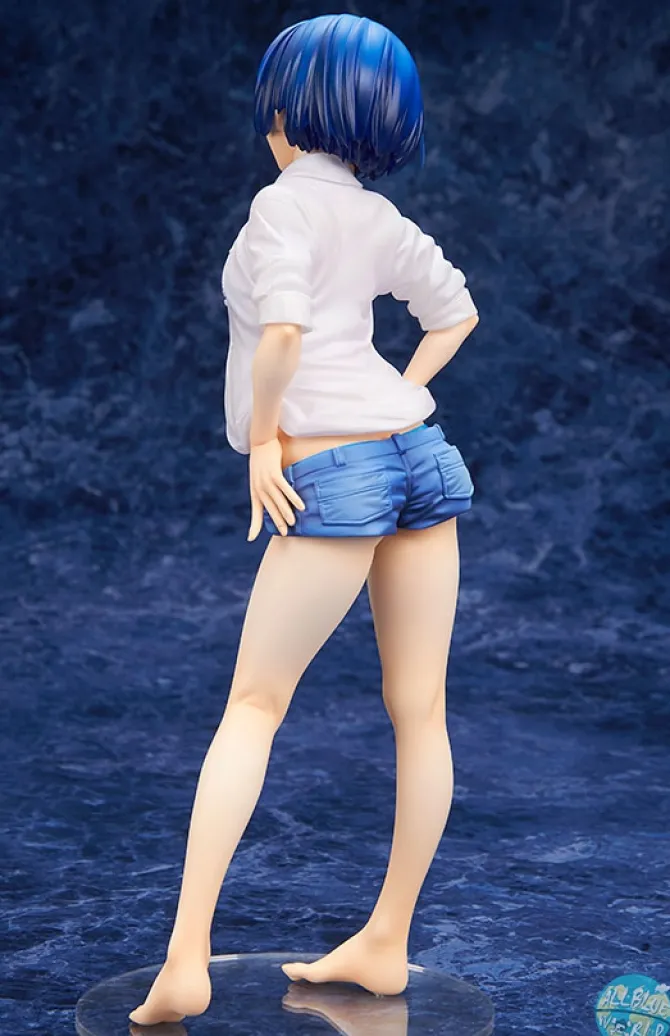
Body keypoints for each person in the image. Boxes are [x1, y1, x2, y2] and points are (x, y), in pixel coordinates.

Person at [129, 13, 479, 1025]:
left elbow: (280, 333)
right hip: (420, 453)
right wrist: (398, 395)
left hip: (337, 471)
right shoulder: (375, 216)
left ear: (284, 111)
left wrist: (263, 441)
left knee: (255, 704)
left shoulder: (279, 208)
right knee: (421, 710)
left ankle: (186, 957)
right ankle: (386, 941)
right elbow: (454, 311)